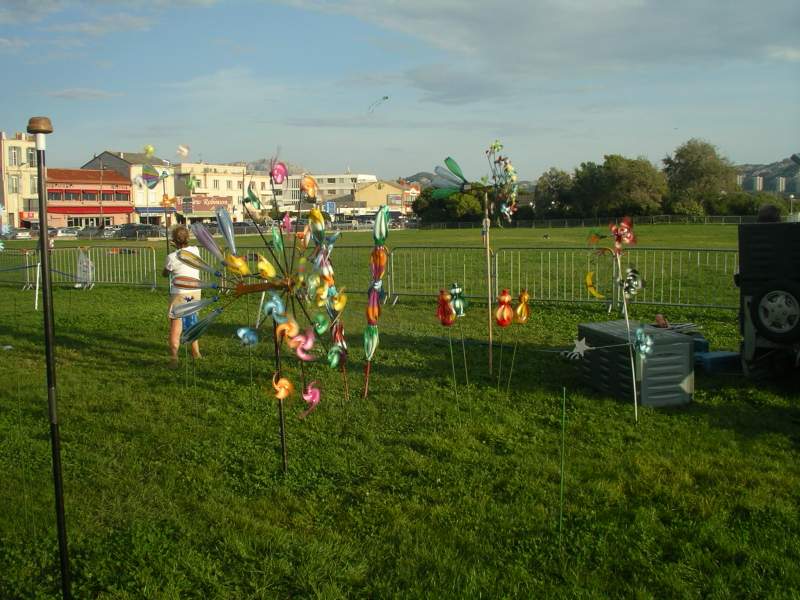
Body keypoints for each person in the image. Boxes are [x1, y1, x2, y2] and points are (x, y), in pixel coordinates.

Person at [162, 225, 201, 367]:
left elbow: (165, 273)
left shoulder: (171, 257)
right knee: (192, 321)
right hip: (194, 292)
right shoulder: (195, 251)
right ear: (188, 238)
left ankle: (174, 357)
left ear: (173, 240)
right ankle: (196, 352)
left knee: (176, 325)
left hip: (179, 293)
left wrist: (174, 251)